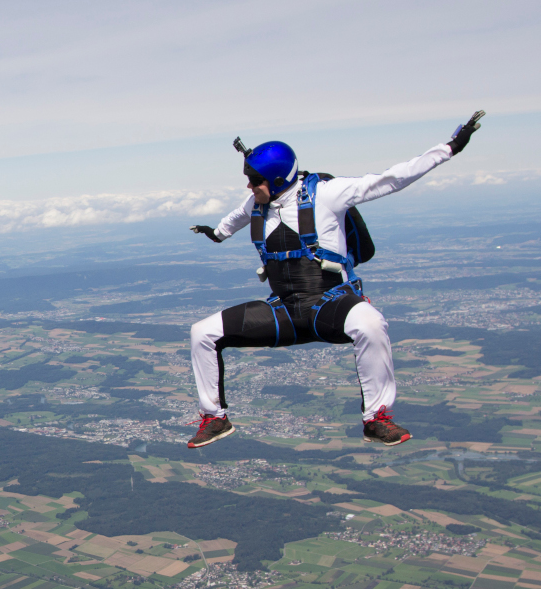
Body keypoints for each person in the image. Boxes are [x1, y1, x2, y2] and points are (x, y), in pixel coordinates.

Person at [185, 112, 485, 448]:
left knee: (370, 324)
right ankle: (214, 418)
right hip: (284, 310)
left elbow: (390, 179)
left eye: (256, 181)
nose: (249, 187)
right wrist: (217, 233)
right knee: (203, 333)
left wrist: (450, 147)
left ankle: (376, 418)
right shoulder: (257, 204)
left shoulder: (327, 194)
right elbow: (236, 218)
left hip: (329, 304)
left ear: (280, 179)